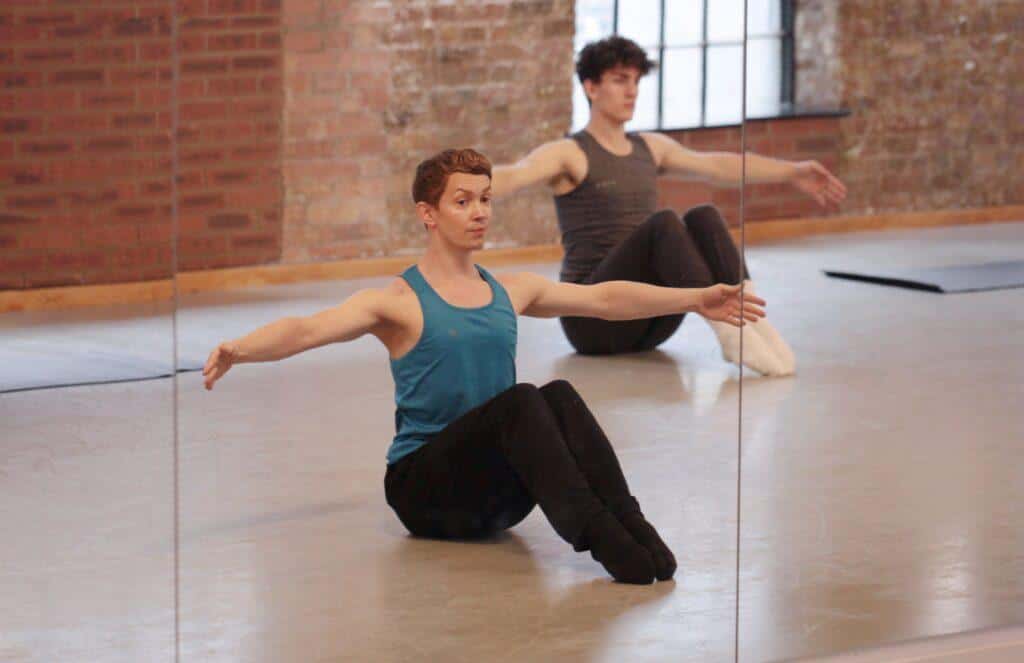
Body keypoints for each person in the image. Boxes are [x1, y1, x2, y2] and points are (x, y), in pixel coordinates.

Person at [202, 149, 766, 585]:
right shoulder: (399, 301)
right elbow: (307, 329)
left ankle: (628, 520)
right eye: (463, 201)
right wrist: (239, 348)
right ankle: (599, 536)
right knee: (522, 401)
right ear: (428, 214)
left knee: (559, 395)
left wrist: (693, 297)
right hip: (427, 493)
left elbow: (603, 300)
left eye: (486, 199)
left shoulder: (508, 289)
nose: (479, 213)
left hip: (500, 493)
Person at [492, 36, 846, 375]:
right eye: (619, 80)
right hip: (594, 324)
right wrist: (448, 182)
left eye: (635, 81)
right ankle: (730, 336)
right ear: (591, 87)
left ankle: (752, 323)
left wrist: (792, 172)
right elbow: (515, 175)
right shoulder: (570, 152)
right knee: (663, 224)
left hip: (650, 322)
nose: (631, 91)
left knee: (703, 215)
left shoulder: (650, 146)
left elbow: (719, 165)